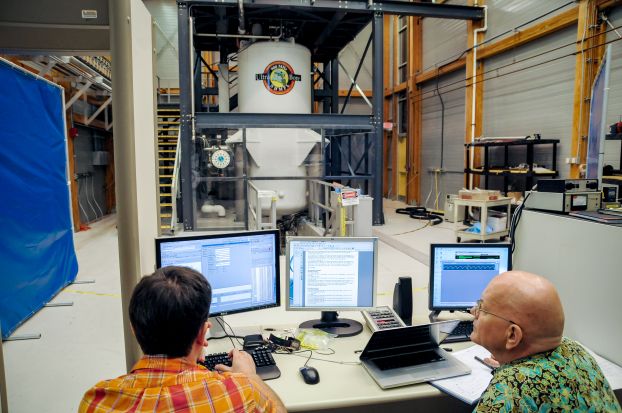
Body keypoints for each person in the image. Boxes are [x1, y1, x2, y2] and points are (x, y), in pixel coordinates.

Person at [79, 266, 286, 413]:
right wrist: (250, 377)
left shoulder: (96, 401)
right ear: (202, 333)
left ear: (133, 329)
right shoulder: (241, 393)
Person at [470, 270, 621, 412]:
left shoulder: (507, 393)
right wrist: (508, 363)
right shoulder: (575, 350)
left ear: (512, 335)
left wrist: (511, 375)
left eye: (482, 308)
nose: (473, 311)